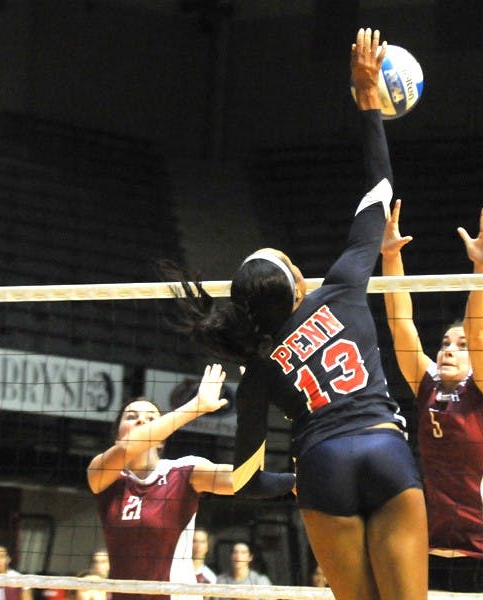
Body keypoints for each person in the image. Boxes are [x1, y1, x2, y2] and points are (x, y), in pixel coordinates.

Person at [165, 28, 428, 600]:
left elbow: (244, 481)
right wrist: (367, 105)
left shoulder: (258, 366)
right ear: (297, 281)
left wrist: (293, 484)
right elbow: (380, 186)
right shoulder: (343, 287)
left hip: (322, 469)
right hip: (384, 447)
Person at [381, 202, 483, 594]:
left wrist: (482, 269)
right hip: (431, 554)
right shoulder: (428, 385)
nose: (448, 349)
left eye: (460, 346)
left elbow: (479, 332)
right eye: (445, 342)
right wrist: (390, 256)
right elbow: (401, 324)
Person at [87, 364, 294, 600]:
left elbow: (247, 478)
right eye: (131, 417)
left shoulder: (184, 472)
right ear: (117, 435)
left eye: (151, 418)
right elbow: (128, 446)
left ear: (161, 440)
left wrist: (254, 408)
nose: (141, 422)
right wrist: (195, 407)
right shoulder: (102, 474)